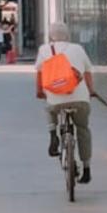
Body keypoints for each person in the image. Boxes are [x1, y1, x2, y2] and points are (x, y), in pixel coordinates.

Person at [36, 22, 96, 185]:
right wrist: (91, 91)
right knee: (83, 129)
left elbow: (40, 74)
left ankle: (52, 133)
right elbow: (88, 73)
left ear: (51, 36)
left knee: (49, 108)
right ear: (68, 35)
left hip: (55, 98)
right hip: (80, 98)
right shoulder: (77, 49)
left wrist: (40, 92)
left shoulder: (44, 50)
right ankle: (87, 168)